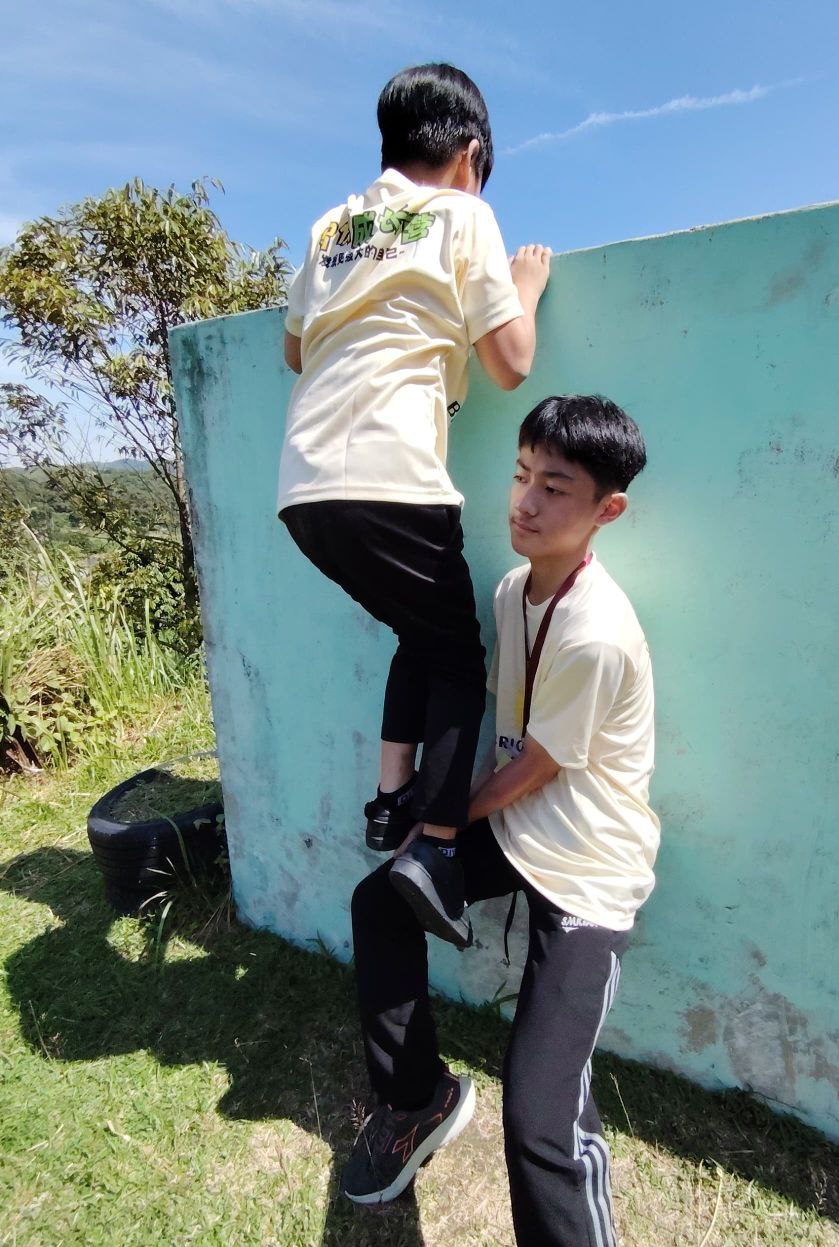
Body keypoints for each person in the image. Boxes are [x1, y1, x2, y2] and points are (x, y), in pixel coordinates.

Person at [344, 395, 661, 1247]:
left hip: (588, 869)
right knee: (380, 904)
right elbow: (493, 724)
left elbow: (537, 769)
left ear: (607, 510)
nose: (524, 502)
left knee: (540, 1123)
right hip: (517, 832)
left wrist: (440, 819)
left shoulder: (598, 632)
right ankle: (417, 1099)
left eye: (554, 488)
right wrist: (422, 811)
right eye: (521, 476)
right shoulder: (513, 591)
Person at [278, 63, 551, 949]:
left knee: (421, 635)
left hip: (306, 490)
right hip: (392, 477)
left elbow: (295, 351)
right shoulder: (462, 216)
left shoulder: (331, 226)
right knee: (462, 658)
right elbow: (511, 363)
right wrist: (524, 289)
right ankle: (434, 847)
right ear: (470, 155)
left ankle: (390, 803)